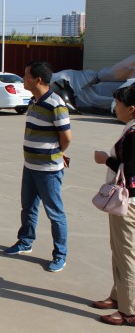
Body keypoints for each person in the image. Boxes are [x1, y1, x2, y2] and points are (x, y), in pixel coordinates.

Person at [4, 61, 72, 273]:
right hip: (30, 167)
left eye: (26, 75)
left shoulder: (55, 104)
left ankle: (60, 255)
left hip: (48, 171)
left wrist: (57, 153)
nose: (23, 79)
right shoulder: (34, 101)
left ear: (38, 80)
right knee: (28, 208)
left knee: (55, 214)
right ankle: (25, 242)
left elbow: (66, 137)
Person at [93, 85, 135, 326]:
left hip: (127, 204)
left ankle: (129, 311)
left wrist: (105, 160)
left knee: (126, 255)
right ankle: (118, 295)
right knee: (120, 251)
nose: (115, 108)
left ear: (131, 109)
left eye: (118, 104)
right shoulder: (130, 129)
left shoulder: (133, 134)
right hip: (128, 203)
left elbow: (130, 172)